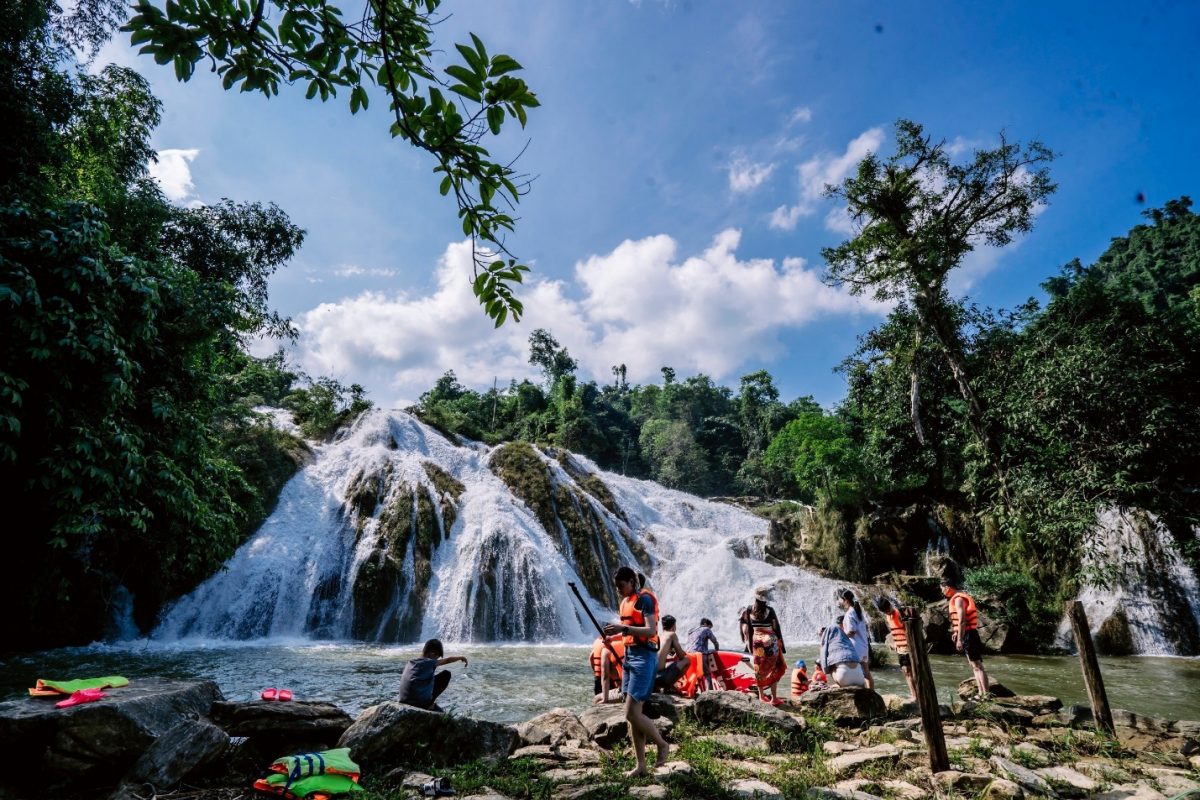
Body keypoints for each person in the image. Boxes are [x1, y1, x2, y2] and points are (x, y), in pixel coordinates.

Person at [603, 566, 670, 777]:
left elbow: (650, 630)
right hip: (630, 657)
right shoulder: (626, 601)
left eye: (621, 586)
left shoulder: (645, 600)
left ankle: (662, 744)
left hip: (644, 658)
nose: (619, 590)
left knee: (631, 713)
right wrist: (614, 637)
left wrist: (622, 629)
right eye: (616, 587)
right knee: (634, 716)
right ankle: (641, 766)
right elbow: (630, 631)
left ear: (632, 582)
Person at [941, 576, 990, 697]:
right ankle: (981, 693)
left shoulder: (958, 599)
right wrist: (956, 632)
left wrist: (959, 639)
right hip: (967, 634)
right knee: (974, 665)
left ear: (947, 587)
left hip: (969, 635)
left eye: (942, 588)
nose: (942, 591)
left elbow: (962, 620)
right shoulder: (958, 597)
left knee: (977, 665)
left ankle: (986, 694)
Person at [740, 589, 787, 702]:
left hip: (756, 642)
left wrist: (748, 645)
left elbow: (748, 628)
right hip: (770, 641)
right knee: (774, 667)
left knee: (758, 668)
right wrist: (781, 644)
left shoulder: (749, 609)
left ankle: (761, 696)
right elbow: (776, 628)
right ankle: (774, 699)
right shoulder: (770, 610)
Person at [398, 638, 468, 710]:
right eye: (437, 657)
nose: (436, 659)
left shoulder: (410, 662)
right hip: (419, 703)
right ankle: (429, 705)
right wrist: (461, 657)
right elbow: (448, 660)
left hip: (403, 700)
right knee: (446, 675)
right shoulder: (429, 662)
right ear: (432, 653)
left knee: (430, 678)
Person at [875, 596, 917, 700]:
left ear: (890, 605)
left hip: (908, 648)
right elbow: (893, 631)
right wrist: (894, 644)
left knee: (910, 671)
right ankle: (913, 694)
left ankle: (917, 694)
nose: (888, 612)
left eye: (888, 609)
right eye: (885, 611)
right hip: (900, 649)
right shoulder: (888, 617)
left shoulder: (899, 613)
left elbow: (909, 629)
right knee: (906, 671)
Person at [838, 588, 874, 690]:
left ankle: (859, 694)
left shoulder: (850, 613)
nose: (841, 602)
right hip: (864, 646)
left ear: (846, 600)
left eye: (842, 600)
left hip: (855, 648)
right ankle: (872, 694)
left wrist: (842, 638)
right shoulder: (858, 611)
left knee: (854, 672)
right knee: (866, 673)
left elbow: (851, 631)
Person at [817, 622, 865, 688]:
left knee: (831, 665)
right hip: (860, 679)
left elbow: (824, 662)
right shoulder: (848, 643)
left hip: (843, 678)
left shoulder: (830, 645)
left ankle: (838, 684)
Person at [655, 615, 688, 692]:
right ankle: (669, 686)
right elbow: (681, 656)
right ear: (673, 626)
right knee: (686, 660)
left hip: (651, 678)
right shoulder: (672, 634)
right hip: (660, 678)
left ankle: (659, 686)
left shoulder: (659, 636)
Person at [687, 617, 721, 690]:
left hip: (688, 654)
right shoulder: (706, 629)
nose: (710, 629)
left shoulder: (692, 630)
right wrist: (717, 650)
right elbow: (715, 641)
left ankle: (694, 690)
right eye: (710, 627)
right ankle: (710, 692)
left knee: (694, 674)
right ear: (705, 624)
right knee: (707, 673)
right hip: (699, 654)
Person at [590, 634, 624, 703]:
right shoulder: (624, 643)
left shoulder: (598, 642)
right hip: (620, 681)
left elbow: (591, 657)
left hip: (599, 678)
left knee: (597, 699)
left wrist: (596, 671)